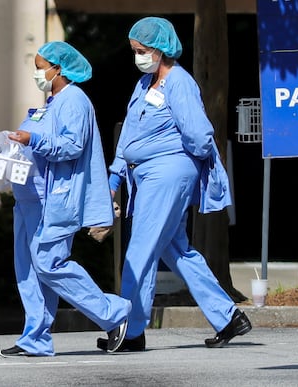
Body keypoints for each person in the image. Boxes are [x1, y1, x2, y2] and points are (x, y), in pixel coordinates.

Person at [96, 17, 251, 351]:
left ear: (160, 49)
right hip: (148, 175)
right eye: (134, 50)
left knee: (141, 249)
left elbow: (198, 134)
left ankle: (130, 330)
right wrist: (114, 176)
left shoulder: (179, 82)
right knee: (176, 249)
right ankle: (228, 317)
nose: (137, 56)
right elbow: (129, 137)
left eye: (141, 50)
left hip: (166, 174)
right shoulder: (144, 85)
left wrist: (185, 163)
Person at [0, 41, 131, 357]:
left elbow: (72, 146)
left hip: (54, 199)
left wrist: (34, 138)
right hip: (29, 198)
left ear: (59, 68)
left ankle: (112, 313)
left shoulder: (74, 101)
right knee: (30, 270)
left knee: (49, 262)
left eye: (41, 65)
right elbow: (34, 147)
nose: (37, 72)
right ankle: (35, 338)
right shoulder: (50, 102)